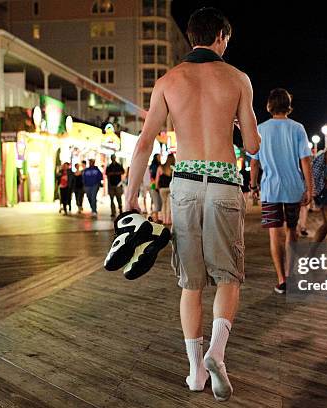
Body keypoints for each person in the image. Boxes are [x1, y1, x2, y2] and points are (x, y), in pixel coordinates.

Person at [124, 7, 260, 402]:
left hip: (182, 186)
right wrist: (235, 125)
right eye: (227, 40)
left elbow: (145, 142)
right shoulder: (237, 79)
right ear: (220, 37)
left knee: (191, 283)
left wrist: (131, 196)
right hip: (223, 183)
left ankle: (195, 372)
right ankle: (218, 351)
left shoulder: (168, 80)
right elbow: (251, 146)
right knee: (228, 278)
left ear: (190, 38)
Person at [249, 88, 313, 294]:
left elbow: (254, 163)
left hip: (270, 191)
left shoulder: (261, 129)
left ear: (269, 105)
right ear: (288, 105)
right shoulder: (298, 128)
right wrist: (309, 188)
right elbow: (305, 160)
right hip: (294, 189)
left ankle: (281, 279)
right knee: (291, 232)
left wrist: (253, 186)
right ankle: (292, 275)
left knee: (274, 235)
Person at [156, 154, 174, 225]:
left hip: (162, 189)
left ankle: (164, 220)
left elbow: (157, 179)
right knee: (169, 204)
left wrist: (157, 187)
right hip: (170, 188)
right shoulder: (173, 167)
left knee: (164, 203)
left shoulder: (161, 167)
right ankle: (168, 220)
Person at [149, 154, 162, 222]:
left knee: (156, 201)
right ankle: (156, 218)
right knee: (157, 201)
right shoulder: (155, 166)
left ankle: (156, 218)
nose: (160, 158)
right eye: (159, 157)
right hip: (155, 185)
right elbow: (153, 176)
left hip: (152, 185)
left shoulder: (152, 165)